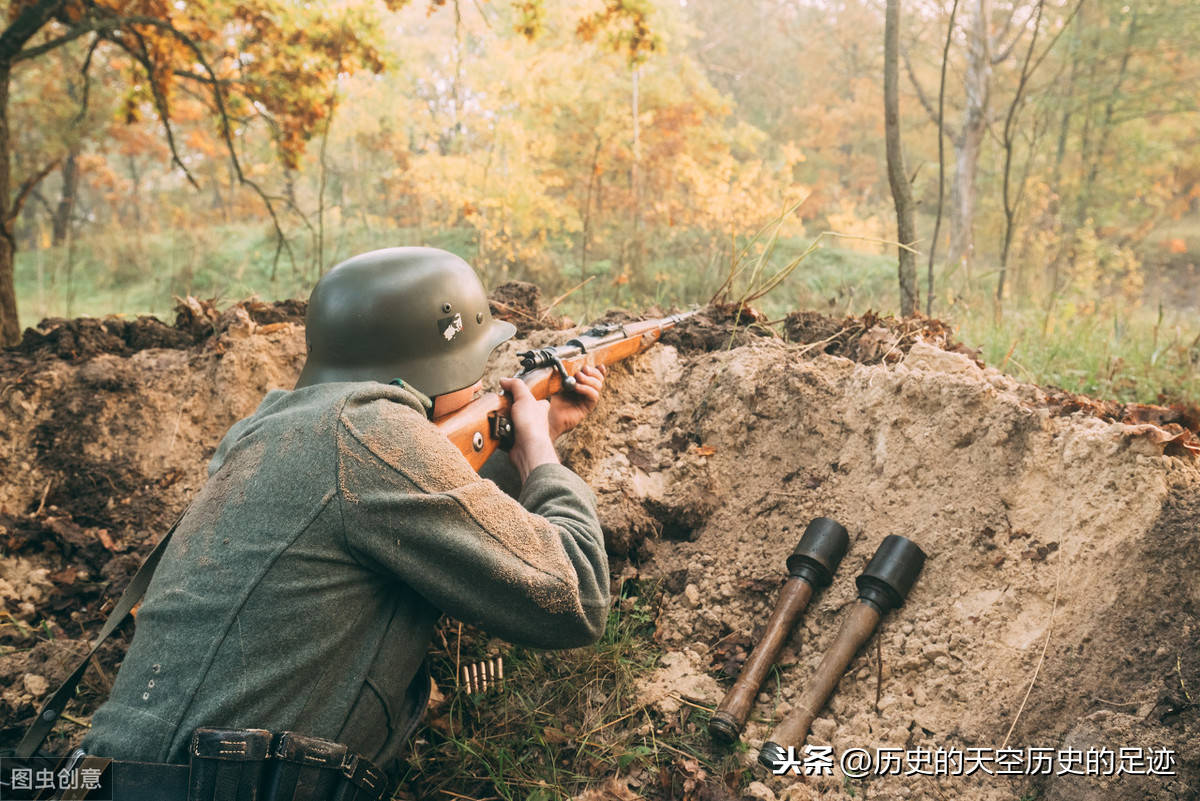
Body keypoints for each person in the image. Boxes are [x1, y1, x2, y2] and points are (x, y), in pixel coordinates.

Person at [80, 247, 610, 798]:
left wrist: (519, 438)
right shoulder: (374, 436)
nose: (481, 381)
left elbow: (432, 509)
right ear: (440, 361)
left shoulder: (269, 432)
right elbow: (578, 596)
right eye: (477, 360)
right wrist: (542, 454)